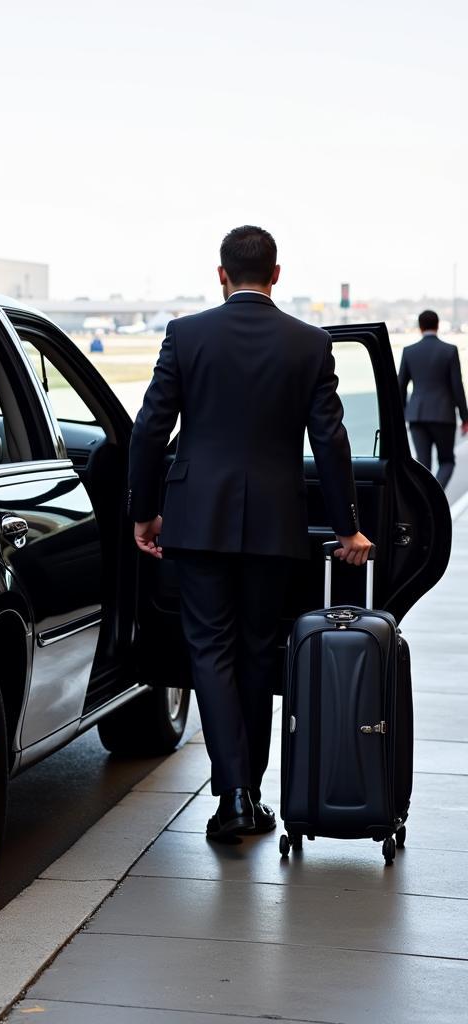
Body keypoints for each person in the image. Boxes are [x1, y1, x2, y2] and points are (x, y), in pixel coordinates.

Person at [127, 225, 373, 844]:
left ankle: (233, 794)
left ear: (220, 275)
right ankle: (250, 793)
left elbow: (150, 428)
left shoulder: (186, 335)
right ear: (276, 274)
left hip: (197, 520)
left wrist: (144, 510)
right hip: (274, 523)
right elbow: (332, 439)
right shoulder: (310, 344)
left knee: (209, 651)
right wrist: (349, 527)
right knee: (261, 653)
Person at [398, 310, 468, 490]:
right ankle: (435, 498)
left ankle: (426, 503)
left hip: (417, 416)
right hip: (443, 415)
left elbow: (400, 387)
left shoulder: (409, 351)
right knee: (447, 461)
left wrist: (401, 416)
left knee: (423, 466)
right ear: (437, 325)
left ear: (420, 327)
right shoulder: (450, 351)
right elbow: (457, 386)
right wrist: (465, 417)